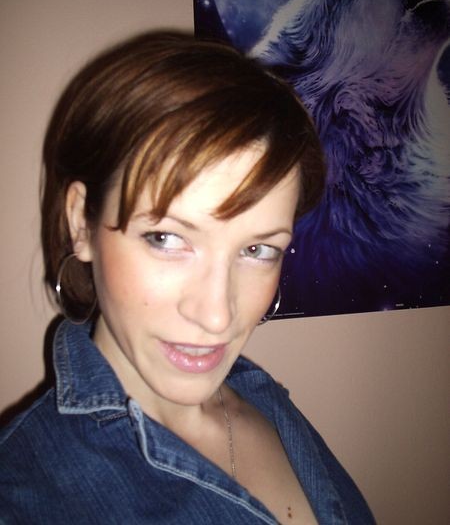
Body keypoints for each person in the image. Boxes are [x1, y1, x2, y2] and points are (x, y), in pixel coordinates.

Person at [0, 32, 374, 524]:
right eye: (166, 238)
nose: (217, 316)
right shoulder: (22, 495)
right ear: (80, 224)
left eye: (257, 250)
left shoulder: (265, 399)